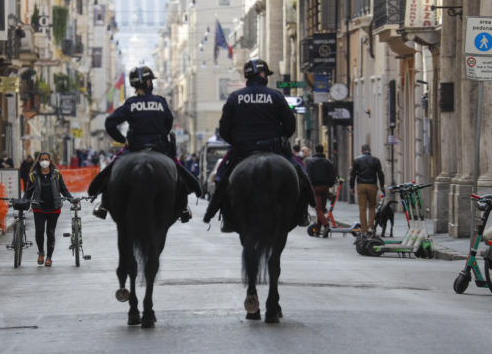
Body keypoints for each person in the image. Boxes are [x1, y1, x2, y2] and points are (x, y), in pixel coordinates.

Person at [203, 59, 316, 232]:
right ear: (262, 75)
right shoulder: (276, 95)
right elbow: (290, 126)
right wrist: (281, 137)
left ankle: (220, 215)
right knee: (300, 174)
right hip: (273, 148)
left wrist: (237, 141)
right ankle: (304, 212)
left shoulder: (235, 97)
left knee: (222, 178)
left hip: (243, 150)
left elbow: (224, 129)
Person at [88, 65, 200, 222]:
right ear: (148, 83)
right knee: (178, 173)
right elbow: (168, 123)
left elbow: (110, 123)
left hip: (134, 148)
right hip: (159, 148)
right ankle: (183, 207)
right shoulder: (160, 102)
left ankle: (104, 205)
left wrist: (122, 140)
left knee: (113, 170)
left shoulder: (130, 103)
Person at [23, 152, 74, 267]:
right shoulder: (34, 175)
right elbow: (28, 192)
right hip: (39, 208)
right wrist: (23, 201)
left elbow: (63, 189)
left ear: (50, 161)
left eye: (46, 159)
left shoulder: (56, 174)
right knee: (39, 232)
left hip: (53, 208)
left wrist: (71, 199)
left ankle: (49, 257)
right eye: (42, 159)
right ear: (39, 161)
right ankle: (41, 252)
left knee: (50, 233)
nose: (44, 161)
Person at [349, 144, 385, 236]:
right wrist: (381, 186)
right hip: (372, 185)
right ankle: (371, 226)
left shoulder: (357, 160)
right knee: (372, 206)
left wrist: (352, 187)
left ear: (362, 151)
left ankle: (364, 230)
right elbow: (380, 174)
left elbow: (353, 175)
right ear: (370, 150)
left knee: (362, 208)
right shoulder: (375, 160)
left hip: (361, 185)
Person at [306, 144, 337, 238]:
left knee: (318, 209)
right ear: (323, 150)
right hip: (325, 187)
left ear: (315, 150)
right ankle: (317, 231)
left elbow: (309, 176)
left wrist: (309, 187)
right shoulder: (328, 162)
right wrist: (330, 185)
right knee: (321, 209)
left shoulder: (311, 162)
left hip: (315, 188)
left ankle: (326, 225)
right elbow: (332, 176)